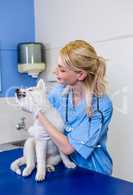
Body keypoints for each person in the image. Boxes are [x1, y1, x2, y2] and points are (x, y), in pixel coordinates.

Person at [23, 40, 113, 175]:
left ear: (80, 75)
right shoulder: (59, 92)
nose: (55, 72)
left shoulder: (101, 106)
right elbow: (47, 117)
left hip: (93, 172)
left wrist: (37, 113)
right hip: (65, 168)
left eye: (62, 69)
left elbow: (68, 148)